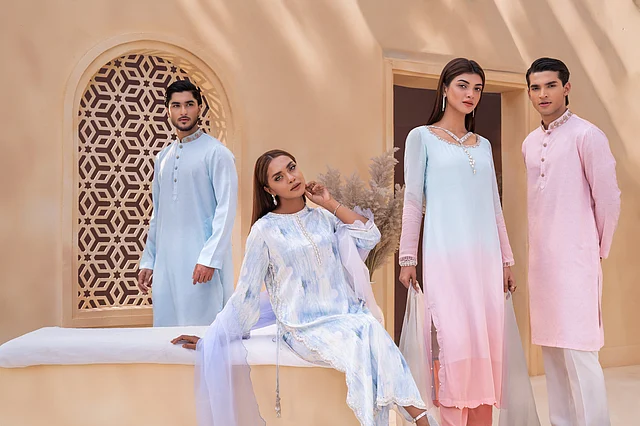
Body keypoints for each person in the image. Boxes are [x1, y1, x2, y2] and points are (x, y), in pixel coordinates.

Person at [172, 149, 436, 426]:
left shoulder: (324, 218)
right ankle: (420, 421)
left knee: (370, 329)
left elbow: (370, 236)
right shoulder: (264, 231)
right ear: (269, 189)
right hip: (304, 327)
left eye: (291, 168)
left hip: (348, 315)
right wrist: (216, 337)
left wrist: (329, 202)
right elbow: (246, 293)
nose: (290, 178)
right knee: (363, 340)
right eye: (278, 177)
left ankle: (418, 420)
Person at [398, 58, 516, 426]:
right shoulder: (421, 137)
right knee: (453, 342)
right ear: (445, 88)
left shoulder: (483, 145)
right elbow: (413, 200)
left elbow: (494, 207)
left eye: (477, 88)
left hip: (485, 260)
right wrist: (407, 257)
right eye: (463, 85)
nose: (471, 94)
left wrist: (507, 260)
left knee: (486, 346)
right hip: (445, 257)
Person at [523, 57, 621, 426]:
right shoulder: (530, 143)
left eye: (550, 85)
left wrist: (596, 249)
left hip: (577, 261)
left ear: (566, 88)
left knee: (581, 352)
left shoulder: (587, 136)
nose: (543, 94)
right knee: (552, 353)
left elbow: (608, 200)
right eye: (535, 87)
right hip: (542, 265)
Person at [137, 80, 238, 326]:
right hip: (166, 264)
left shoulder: (217, 153)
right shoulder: (163, 158)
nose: (183, 111)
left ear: (199, 107)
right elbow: (158, 214)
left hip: (201, 261)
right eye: (176, 105)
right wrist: (149, 260)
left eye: (189, 104)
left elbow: (226, 210)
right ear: (168, 110)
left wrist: (210, 258)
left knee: (202, 331)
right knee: (167, 330)